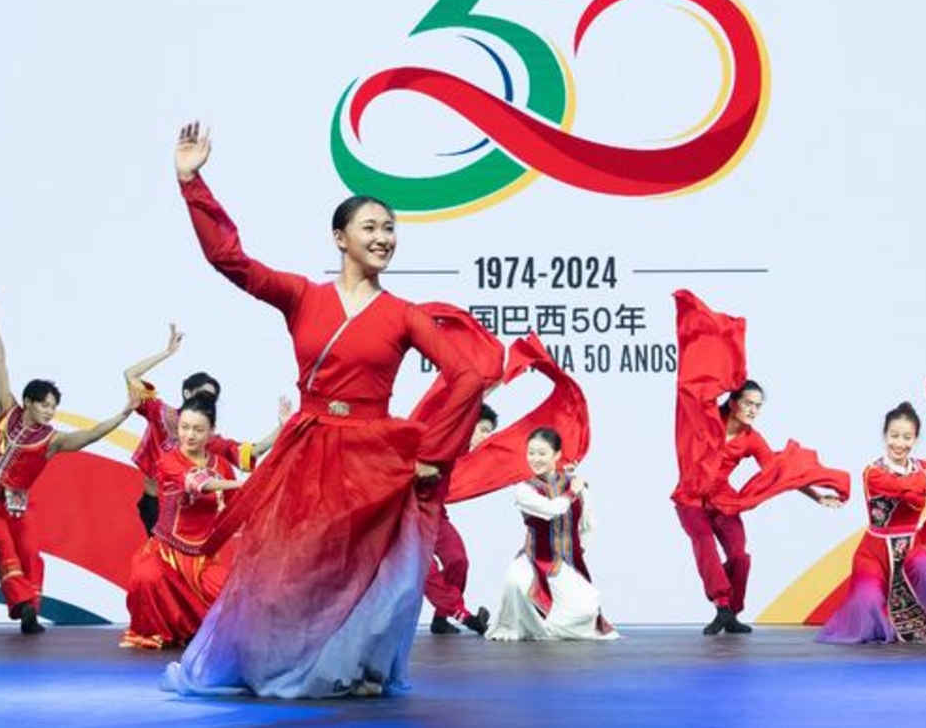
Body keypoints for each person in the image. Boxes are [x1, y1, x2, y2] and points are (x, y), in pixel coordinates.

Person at [163, 122, 485, 698]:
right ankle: (275, 661)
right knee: (288, 567)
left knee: (365, 571)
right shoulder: (303, 297)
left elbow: (470, 375)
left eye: (390, 228)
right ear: (340, 237)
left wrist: (434, 455)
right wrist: (193, 182)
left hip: (371, 456)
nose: (384, 237)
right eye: (371, 227)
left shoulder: (404, 314)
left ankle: (352, 664)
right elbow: (230, 260)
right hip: (308, 447)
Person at [672, 290, 850, 636]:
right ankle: (722, 604)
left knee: (739, 555)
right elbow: (691, 393)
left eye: (759, 405)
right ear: (734, 400)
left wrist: (816, 496)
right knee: (704, 544)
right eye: (749, 403)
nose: (753, 410)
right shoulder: (708, 419)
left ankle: (730, 612)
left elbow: (780, 473)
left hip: (724, 499)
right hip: (691, 498)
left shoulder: (752, 438)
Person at [0, 285, 136, 633]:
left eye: (53, 406)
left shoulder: (52, 440)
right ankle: (23, 608)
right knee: (8, 554)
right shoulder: (6, 410)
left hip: (16, 505)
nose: (49, 411)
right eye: (44, 404)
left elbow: (90, 435)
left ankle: (28, 607)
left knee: (31, 555)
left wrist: (124, 414)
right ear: (29, 402)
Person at [817, 402, 926, 644]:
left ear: (915, 440)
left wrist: (925, 540)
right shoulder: (874, 473)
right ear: (884, 436)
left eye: (907, 437)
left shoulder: (925, 468)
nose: (899, 443)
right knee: (867, 601)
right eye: (894, 436)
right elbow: (899, 487)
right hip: (873, 554)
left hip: (910, 549)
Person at [121, 323, 284, 534]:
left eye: (212, 398)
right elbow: (130, 375)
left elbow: (253, 452)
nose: (209, 400)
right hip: (155, 505)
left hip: (185, 514)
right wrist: (167, 353)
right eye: (203, 394)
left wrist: (282, 427)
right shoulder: (161, 413)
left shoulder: (209, 440)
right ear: (187, 393)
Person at [120, 396, 248, 649]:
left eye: (198, 429)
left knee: (234, 599)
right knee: (146, 578)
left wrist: (283, 429)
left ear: (211, 431)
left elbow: (238, 504)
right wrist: (241, 483)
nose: (189, 435)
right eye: (184, 427)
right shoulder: (169, 461)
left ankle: (197, 631)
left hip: (201, 558)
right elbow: (198, 483)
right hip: (165, 553)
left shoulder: (221, 464)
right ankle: (159, 631)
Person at [486, 427, 617, 641]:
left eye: (541, 453)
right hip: (533, 557)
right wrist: (572, 491)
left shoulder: (575, 483)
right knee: (514, 583)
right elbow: (551, 510)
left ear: (556, 455)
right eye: (531, 453)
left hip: (565, 560)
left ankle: (547, 628)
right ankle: (530, 629)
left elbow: (589, 524)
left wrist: (575, 549)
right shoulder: (524, 489)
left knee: (586, 609)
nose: (535, 459)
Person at [426, 404, 497, 635]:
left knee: (458, 560)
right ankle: (463, 615)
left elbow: (509, 469)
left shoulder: (477, 456)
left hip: (434, 512)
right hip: (404, 515)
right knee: (426, 570)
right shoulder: (448, 441)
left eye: (490, 431)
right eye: (483, 429)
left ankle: (441, 618)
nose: (487, 436)